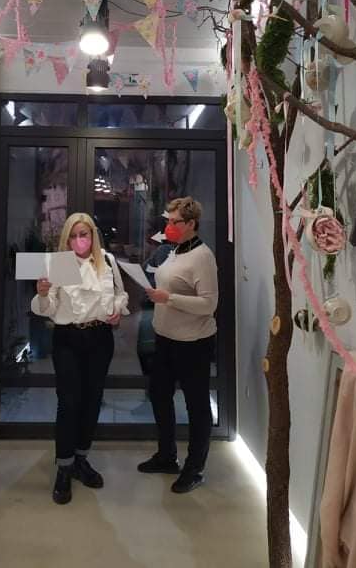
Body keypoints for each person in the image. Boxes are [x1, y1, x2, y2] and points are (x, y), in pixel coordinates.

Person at [31, 213, 129, 505]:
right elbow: (47, 308)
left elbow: (121, 294)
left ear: (93, 235)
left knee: (92, 399)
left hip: (100, 338)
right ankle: (64, 466)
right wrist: (43, 294)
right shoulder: (59, 264)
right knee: (69, 401)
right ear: (66, 238)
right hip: (68, 339)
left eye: (83, 234)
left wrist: (117, 310)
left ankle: (81, 459)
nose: (78, 240)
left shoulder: (107, 261)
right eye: (73, 235)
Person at [139, 196, 218, 494]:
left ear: (191, 224)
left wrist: (168, 298)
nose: (168, 226)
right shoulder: (174, 251)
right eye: (168, 221)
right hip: (165, 338)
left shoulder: (202, 257)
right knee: (159, 395)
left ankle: (195, 469)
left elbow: (209, 304)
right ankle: (166, 456)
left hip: (192, 343)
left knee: (196, 406)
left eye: (174, 222)